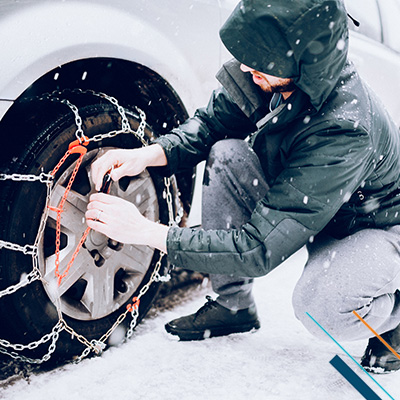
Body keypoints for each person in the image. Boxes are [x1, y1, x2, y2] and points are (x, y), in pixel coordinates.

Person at [86, 0, 400, 373]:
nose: (248, 67)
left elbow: (257, 247)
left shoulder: (344, 128)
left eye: (261, 61)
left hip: (375, 229)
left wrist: (146, 232)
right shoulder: (275, 74)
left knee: (320, 310)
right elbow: (211, 124)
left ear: (302, 61)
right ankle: (233, 305)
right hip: (322, 211)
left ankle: (394, 318)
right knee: (228, 154)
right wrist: (149, 154)